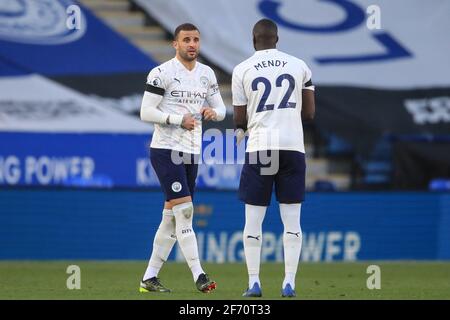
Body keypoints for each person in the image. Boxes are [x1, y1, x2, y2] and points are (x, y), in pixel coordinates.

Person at [139, 23, 226, 293]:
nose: (192, 44)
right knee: (185, 212)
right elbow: (145, 112)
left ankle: (149, 278)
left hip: (191, 152)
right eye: (186, 39)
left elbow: (222, 107)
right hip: (166, 150)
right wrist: (177, 119)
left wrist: (215, 114)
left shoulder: (206, 74)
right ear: (175, 44)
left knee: (171, 219)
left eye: (196, 40)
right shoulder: (162, 73)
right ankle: (199, 274)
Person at [232, 19, 315, 298]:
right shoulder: (299, 65)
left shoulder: (242, 69)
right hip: (292, 146)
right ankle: (288, 282)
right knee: (291, 221)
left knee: (253, 221)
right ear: (277, 39)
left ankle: (254, 282)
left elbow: (240, 119)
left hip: (261, 147)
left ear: (253, 39)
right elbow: (309, 114)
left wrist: (244, 129)